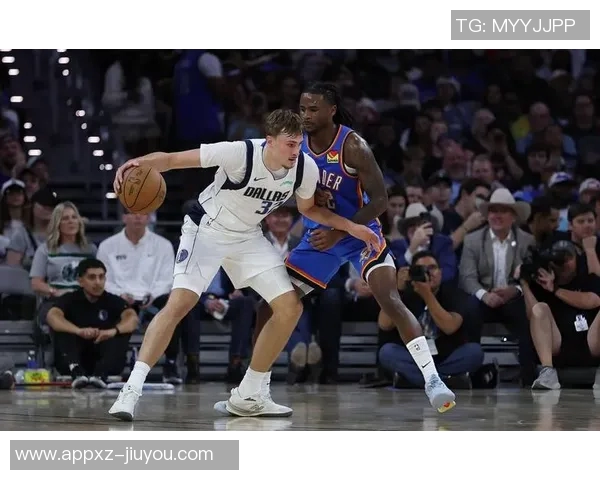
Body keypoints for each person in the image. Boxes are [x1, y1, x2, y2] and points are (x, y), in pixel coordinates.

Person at [108, 109, 380, 421]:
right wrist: (136, 164)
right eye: (290, 144)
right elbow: (171, 160)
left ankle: (249, 394)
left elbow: (310, 210)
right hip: (206, 230)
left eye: (299, 143)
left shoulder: (304, 168)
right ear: (270, 141)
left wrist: (351, 226)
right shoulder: (239, 153)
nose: (297, 151)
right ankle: (131, 390)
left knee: (290, 307)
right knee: (180, 303)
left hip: (248, 237)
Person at [250, 83, 456, 413]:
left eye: (313, 109)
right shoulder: (296, 144)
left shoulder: (353, 145)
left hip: (359, 232)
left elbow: (381, 201)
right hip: (319, 236)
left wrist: (340, 230)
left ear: (332, 110)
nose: (306, 115)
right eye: (302, 108)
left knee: (390, 299)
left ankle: (433, 380)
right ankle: (253, 388)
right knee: (268, 305)